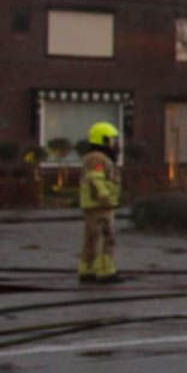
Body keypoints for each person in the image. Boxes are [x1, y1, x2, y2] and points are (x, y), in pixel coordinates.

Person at [76, 122, 123, 284]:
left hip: (92, 205)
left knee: (91, 238)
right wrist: (106, 197)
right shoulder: (98, 158)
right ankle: (105, 271)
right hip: (100, 205)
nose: (115, 144)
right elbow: (96, 179)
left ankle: (87, 269)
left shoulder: (93, 157)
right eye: (112, 140)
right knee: (106, 237)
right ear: (103, 140)